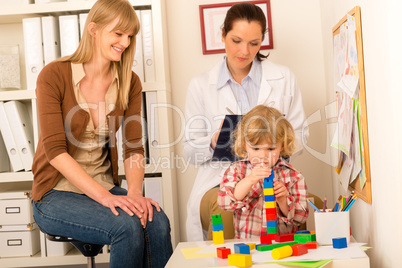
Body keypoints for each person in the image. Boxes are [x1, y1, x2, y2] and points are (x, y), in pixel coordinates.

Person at [31, 1, 172, 267]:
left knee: (156, 221)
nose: (125, 42)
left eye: (130, 36)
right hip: (54, 194)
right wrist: (106, 198)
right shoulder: (54, 75)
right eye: (118, 33)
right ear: (93, 29)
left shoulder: (129, 81)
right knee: (127, 227)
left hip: (105, 185)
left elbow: (133, 147)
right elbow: (55, 152)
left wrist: (133, 194)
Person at [183, 2, 309, 241]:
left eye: (254, 43)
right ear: (223, 34)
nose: (245, 51)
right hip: (220, 179)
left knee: (298, 205)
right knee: (225, 209)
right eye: (236, 40)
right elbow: (189, 151)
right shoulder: (200, 85)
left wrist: (270, 146)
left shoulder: (284, 79)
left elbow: (300, 137)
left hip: (273, 174)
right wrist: (214, 140)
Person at [217, 105, 309, 238]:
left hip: (282, 245)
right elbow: (224, 202)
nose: (263, 155)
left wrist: (283, 199)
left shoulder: (293, 176)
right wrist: (249, 180)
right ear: (244, 145)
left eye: (271, 149)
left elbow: (301, 218)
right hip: (248, 245)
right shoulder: (236, 170)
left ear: (282, 145)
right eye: (255, 149)